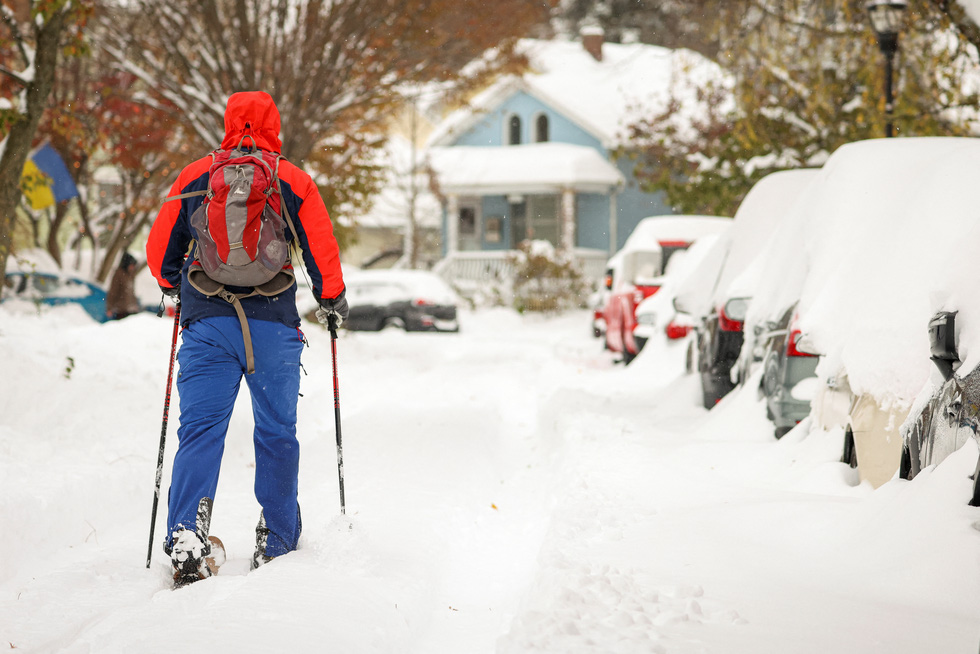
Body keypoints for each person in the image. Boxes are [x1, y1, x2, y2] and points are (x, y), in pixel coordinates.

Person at [146, 91, 349, 586]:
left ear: (228, 122)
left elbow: (159, 249)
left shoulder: (198, 175)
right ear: (273, 124)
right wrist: (332, 299)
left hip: (207, 324)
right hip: (273, 326)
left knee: (200, 431)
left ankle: (187, 539)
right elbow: (321, 247)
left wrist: (173, 283)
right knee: (277, 432)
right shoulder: (291, 178)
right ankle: (277, 538)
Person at [105, 252, 141, 320]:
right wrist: (109, 308)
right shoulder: (118, 274)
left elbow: (132, 292)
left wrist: (135, 304)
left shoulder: (131, 274)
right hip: (121, 310)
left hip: (131, 309)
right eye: (131, 265)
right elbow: (113, 291)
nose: (133, 267)